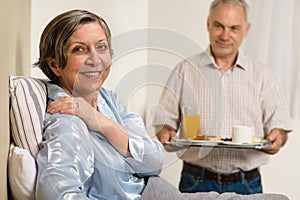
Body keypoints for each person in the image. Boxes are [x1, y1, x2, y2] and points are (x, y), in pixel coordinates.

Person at [34, 9, 289, 200]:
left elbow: (154, 158)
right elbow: (56, 189)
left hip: (239, 178)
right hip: (190, 178)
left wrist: (101, 121)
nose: (95, 60)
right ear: (55, 64)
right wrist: (165, 130)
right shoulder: (66, 118)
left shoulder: (108, 99)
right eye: (79, 49)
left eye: (101, 47)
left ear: (246, 30)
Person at [153, 0, 292, 195]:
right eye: (219, 26)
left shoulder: (262, 75)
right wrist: (165, 132)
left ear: (247, 29)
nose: (225, 35)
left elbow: (279, 127)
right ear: (208, 24)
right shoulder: (185, 70)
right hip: (195, 181)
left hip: (246, 184)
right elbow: (164, 121)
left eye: (234, 28)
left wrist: (278, 136)